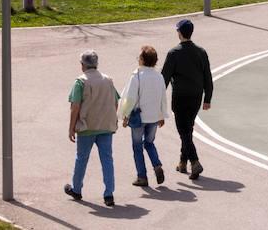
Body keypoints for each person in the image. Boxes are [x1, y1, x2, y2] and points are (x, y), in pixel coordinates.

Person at [64, 50, 119, 207]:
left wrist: (71, 128)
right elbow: (115, 102)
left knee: (81, 158)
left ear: (83, 65)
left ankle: (77, 189)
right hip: (105, 127)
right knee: (107, 159)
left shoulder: (80, 82)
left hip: (87, 127)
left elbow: (75, 107)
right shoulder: (108, 80)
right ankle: (109, 194)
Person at [161, 18, 213, 181]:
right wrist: (208, 98)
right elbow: (207, 77)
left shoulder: (174, 53)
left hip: (180, 97)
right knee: (187, 129)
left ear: (179, 33)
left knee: (183, 131)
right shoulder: (201, 52)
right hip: (196, 97)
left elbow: (164, 79)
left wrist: (157, 98)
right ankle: (182, 163)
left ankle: (195, 161)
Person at [119, 45, 168, 187]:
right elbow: (162, 97)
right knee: (149, 143)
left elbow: (130, 98)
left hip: (139, 118)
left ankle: (142, 176)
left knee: (137, 146)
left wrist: (125, 115)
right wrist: (162, 115)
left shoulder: (137, 76)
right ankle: (157, 165)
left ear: (142, 60)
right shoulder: (159, 76)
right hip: (154, 117)